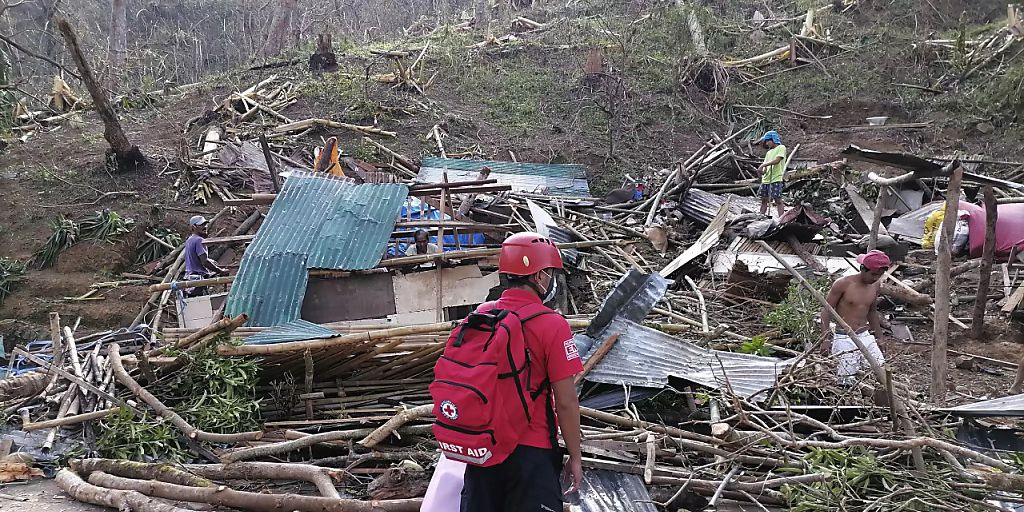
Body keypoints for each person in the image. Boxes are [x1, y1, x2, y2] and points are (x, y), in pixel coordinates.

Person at [459, 232, 584, 512]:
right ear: (539, 276)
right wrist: (575, 457)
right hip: (532, 453)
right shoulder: (552, 325)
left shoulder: (480, 316)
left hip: (482, 450)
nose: (550, 279)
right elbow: (566, 402)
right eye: (549, 273)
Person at [820, 250, 890, 384]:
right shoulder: (843, 284)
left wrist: (880, 337)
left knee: (879, 371)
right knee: (846, 379)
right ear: (863, 269)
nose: (875, 278)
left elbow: (872, 312)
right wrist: (825, 339)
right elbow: (826, 311)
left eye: (879, 275)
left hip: (865, 335)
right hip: (845, 338)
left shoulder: (875, 286)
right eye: (873, 274)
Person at [183, 215, 227, 297]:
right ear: (193, 227)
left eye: (205, 224)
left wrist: (212, 262)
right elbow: (204, 261)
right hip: (198, 280)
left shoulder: (190, 240)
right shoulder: (199, 240)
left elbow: (198, 259)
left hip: (190, 278)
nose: (205, 227)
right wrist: (220, 271)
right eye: (201, 225)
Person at [756, 130, 787, 218]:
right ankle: (761, 216)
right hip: (766, 179)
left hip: (776, 178)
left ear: (773, 140)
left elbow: (777, 161)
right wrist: (761, 171)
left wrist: (763, 165)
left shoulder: (781, 148)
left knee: (778, 200)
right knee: (764, 200)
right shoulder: (768, 153)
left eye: (767, 141)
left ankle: (781, 219)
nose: (767, 143)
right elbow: (765, 170)